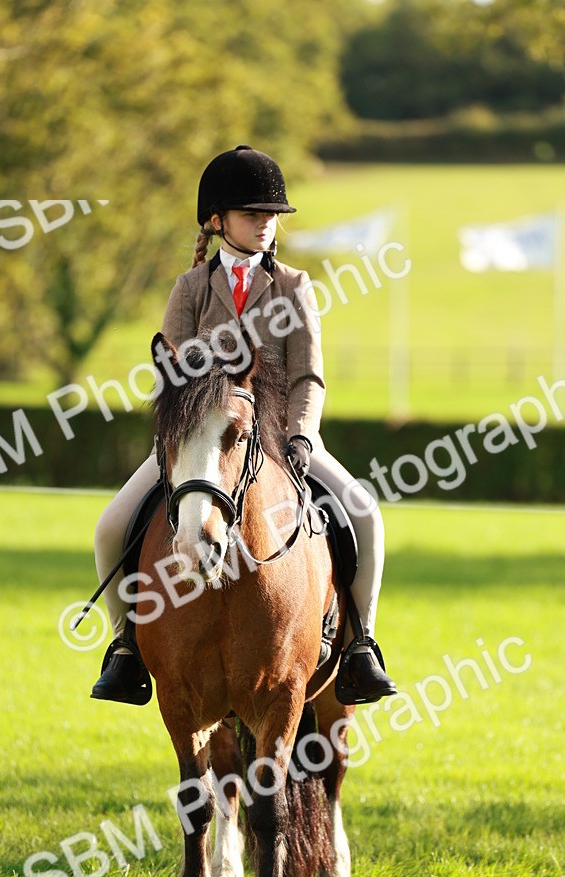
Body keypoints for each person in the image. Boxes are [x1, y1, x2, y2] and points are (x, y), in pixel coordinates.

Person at [92, 145, 396, 706]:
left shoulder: (294, 286)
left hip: (283, 439)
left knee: (364, 514)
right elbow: (171, 378)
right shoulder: (188, 289)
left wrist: (303, 434)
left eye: (272, 215)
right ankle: (126, 648)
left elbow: (309, 377)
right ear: (217, 220)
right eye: (254, 214)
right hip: (203, 441)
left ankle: (360, 645)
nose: (266, 224)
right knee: (110, 528)